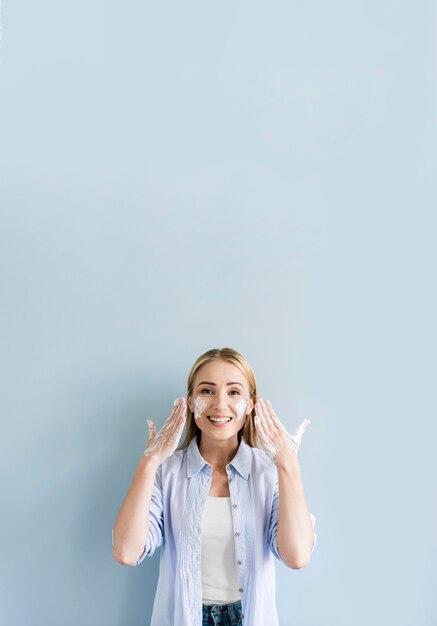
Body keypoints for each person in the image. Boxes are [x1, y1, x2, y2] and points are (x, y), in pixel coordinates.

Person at [112, 347, 317, 626]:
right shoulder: (167, 471)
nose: (220, 405)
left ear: (251, 403)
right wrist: (148, 463)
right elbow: (126, 551)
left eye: (234, 392)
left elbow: (297, 556)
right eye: (207, 391)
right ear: (190, 402)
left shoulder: (270, 472)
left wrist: (288, 465)